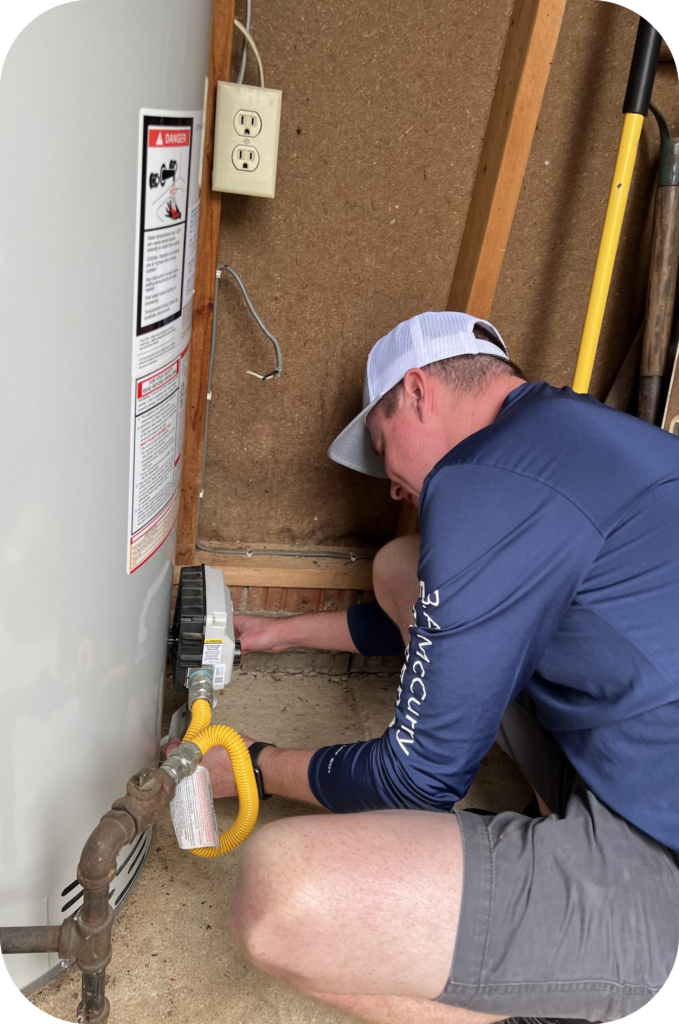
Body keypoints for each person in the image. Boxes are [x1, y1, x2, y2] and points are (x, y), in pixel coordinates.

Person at [187, 312, 679, 1023]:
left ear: (417, 392)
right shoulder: (567, 435)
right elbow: (454, 623)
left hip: (659, 853)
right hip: (640, 749)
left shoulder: (479, 483)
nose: (389, 486)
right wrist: (284, 634)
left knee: (281, 897)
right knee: (401, 564)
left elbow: (417, 779)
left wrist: (252, 765)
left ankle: (564, 998)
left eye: (382, 448)